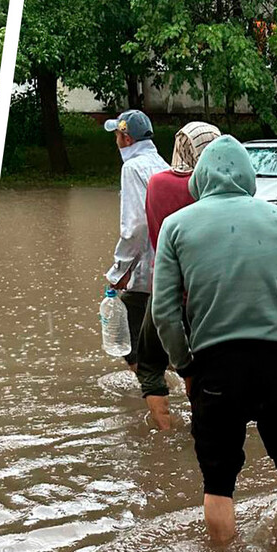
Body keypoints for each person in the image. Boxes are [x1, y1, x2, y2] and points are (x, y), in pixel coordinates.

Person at [151, 136, 277, 544]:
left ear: (201, 178)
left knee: (218, 480)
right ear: (248, 175)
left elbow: (164, 312)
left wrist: (186, 366)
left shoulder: (176, 226)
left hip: (213, 366)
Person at [138, 121, 223, 430]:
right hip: (209, 297)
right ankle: (205, 428)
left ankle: (164, 434)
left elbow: (153, 236)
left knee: (150, 366)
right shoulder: (216, 191)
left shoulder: (157, 184)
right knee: (208, 368)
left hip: (166, 292)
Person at [103, 110, 170, 422]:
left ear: (126, 137)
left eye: (116, 135)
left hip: (147, 270)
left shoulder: (132, 167)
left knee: (125, 337)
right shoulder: (163, 164)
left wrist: (119, 272)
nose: (115, 141)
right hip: (172, 267)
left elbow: (135, 227)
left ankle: (160, 412)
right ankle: (165, 385)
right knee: (164, 333)